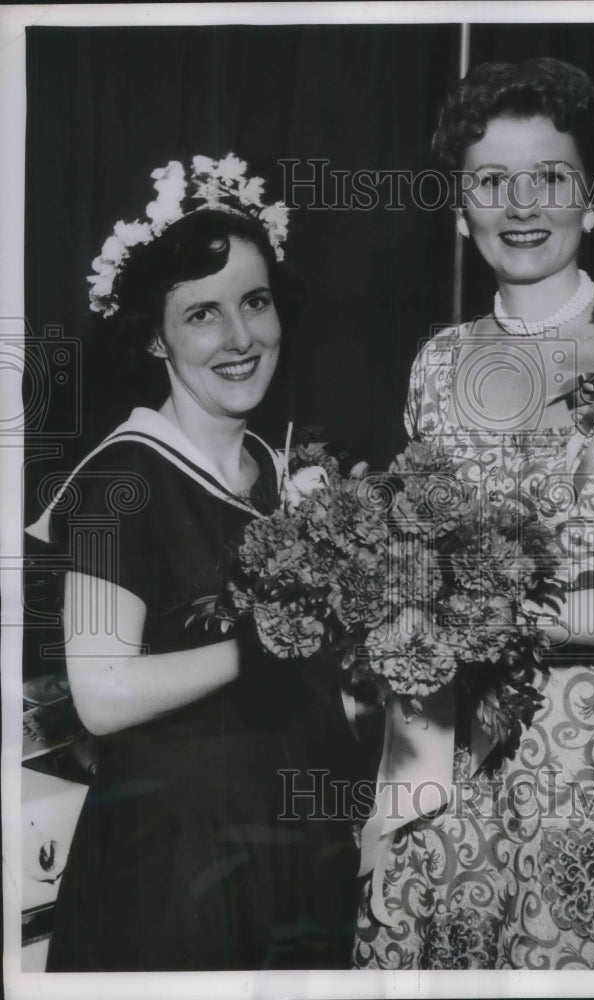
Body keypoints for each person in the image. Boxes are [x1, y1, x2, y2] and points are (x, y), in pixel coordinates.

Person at [352, 59, 594, 970]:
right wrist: (398, 796)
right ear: (460, 208)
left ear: (591, 199)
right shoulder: (437, 366)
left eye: (551, 177)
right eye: (491, 180)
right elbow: (417, 601)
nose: (521, 203)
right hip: (466, 759)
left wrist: (488, 619)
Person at [28, 154, 361, 970]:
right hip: (176, 869)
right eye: (202, 314)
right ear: (153, 334)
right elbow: (101, 695)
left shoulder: (288, 473)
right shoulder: (115, 481)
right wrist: (260, 646)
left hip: (296, 851)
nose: (240, 337)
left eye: (254, 302)